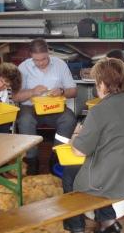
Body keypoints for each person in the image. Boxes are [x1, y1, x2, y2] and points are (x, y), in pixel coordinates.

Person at [63, 58, 124, 233]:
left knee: (70, 172)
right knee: (100, 166)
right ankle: (108, 221)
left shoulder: (99, 110)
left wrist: (75, 135)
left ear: (103, 85)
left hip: (117, 176)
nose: (97, 87)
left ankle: (77, 231)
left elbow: (79, 151)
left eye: (97, 83)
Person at [12, 39, 78, 175]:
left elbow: (74, 91)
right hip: (30, 108)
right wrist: (31, 92)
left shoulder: (60, 65)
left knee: (69, 119)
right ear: (30, 56)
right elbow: (15, 96)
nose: (40, 63)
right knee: (24, 121)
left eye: (44, 59)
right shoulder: (23, 68)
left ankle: (57, 157)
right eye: (36, 60)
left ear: (48, 53)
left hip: (55, 107)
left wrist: (62, 91)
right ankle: (31, 161)